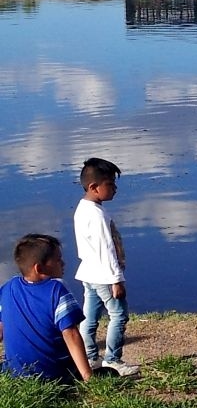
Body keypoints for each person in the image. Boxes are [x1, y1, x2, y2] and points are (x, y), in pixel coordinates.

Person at [73, 157, 139, 376]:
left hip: (88, 273)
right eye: (110, 184)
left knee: (88, 317)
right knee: (118, 315)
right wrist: (116, 280)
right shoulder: (98, 215)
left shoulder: (82, 209)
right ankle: (113, 359)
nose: (115, 189)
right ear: (94, 187)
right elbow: (107, 249)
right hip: (104, 275)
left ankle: (91, 356)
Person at [0, 234, 92, 383]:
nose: (63, 263)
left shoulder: (7, 288)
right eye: (57, 259)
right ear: (39, 268)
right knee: (107, 372)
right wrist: (88, 377)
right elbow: (71, 335)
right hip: (53, 375)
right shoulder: (56, 289)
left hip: (15, 374)